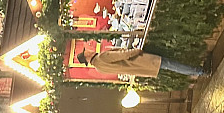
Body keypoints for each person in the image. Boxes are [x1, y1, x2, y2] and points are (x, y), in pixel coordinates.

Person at [75, 45, 206, 78]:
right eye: (87, 51)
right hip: (140, 60)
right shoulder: (101, 57)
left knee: (170, 66)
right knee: (171, 64)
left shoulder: (99, 68)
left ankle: (197, 71)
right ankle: (199, 71)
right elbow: (123, 55)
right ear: (86, 55)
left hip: (141, 68)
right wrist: (136, 50)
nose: (89, 49)